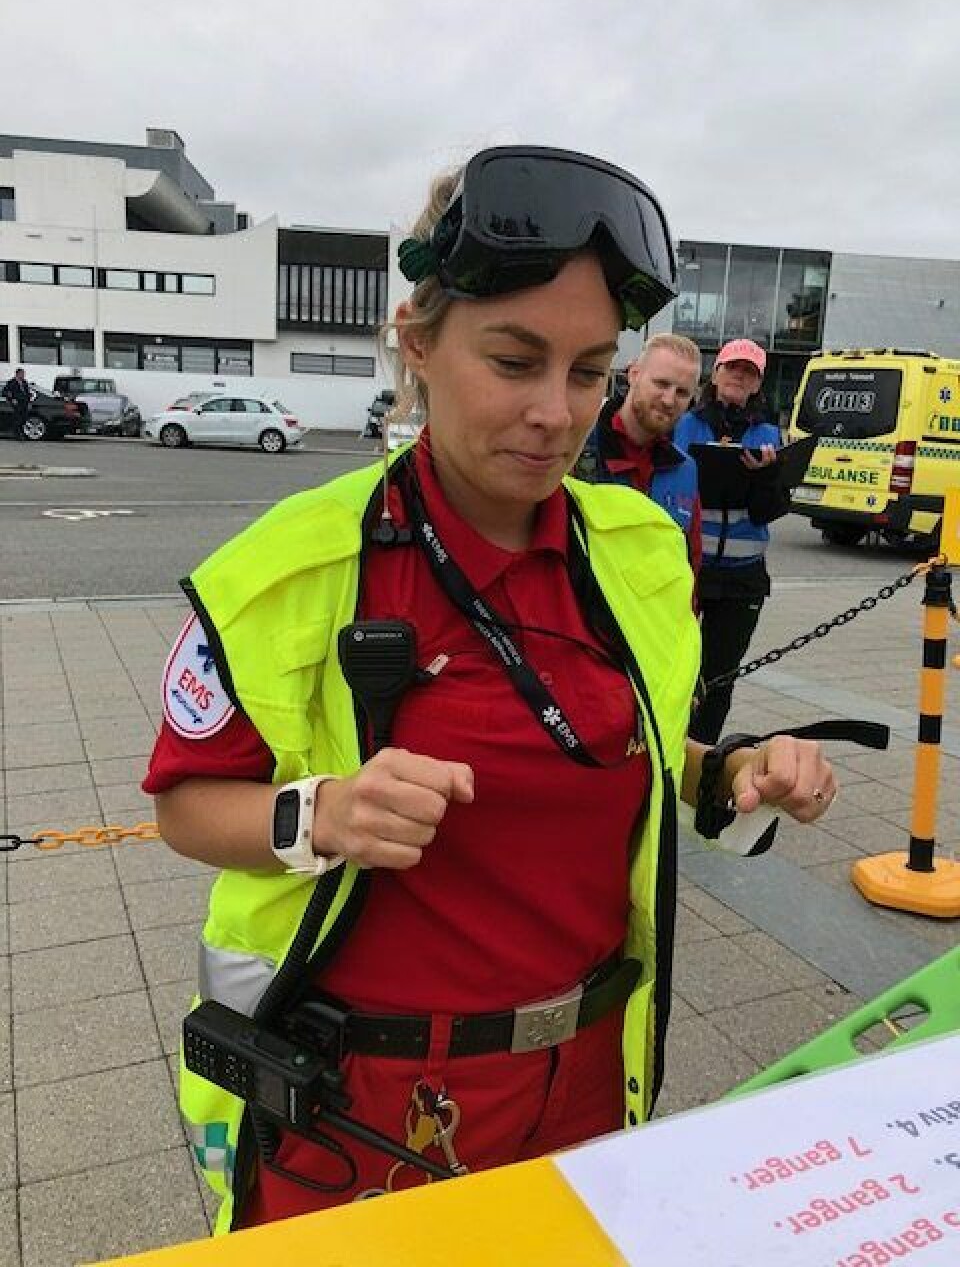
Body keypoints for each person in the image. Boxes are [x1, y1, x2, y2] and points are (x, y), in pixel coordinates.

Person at [143, 147, 836, 1233]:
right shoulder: (290, 569)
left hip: (592, 1076)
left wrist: (737, 771)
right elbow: (185, 803)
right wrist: (319, 812)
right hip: (367, 1104)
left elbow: (627, 758)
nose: (555, 412)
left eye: (587, 369)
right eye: (514, 361)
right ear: (418, 344)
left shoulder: (640, 554)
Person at [674, 340, 791, 744]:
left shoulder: (769, 435)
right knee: (675, 669)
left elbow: (770, 511)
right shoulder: (685, 424)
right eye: (733, 368)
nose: (740, 377)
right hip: (687, 571)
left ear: (758, 384)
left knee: (719, 678)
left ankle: (702, 757)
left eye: (750, 372)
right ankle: (669, 746)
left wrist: (765, 478)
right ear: (716, 373)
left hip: (742, 578)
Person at [574, 333, 702, 571]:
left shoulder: (686, 469)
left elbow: (689, 565)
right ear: (634, 375)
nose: (669, 400)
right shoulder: (576, 447)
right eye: (661, 384)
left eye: (682, 392)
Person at [2, 367, 31, 439]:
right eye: (22, 374)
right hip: (16, 404)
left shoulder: (24, 382)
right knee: (18, 419)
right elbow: (5, 392)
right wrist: (12, 399)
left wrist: (29, 401)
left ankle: (21, 432)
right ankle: (17, 434)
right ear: (17, 374)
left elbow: (27, 393)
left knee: (24, 419)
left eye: (24, 374)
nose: (23, 375)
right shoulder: (11, 382)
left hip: (24, 403)